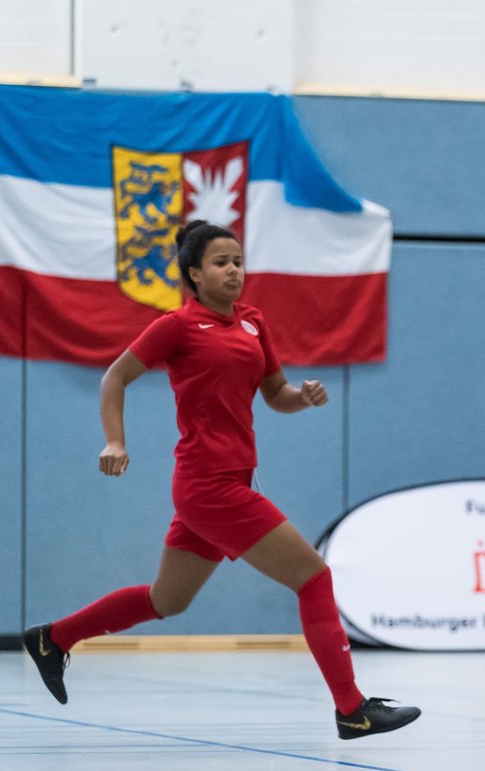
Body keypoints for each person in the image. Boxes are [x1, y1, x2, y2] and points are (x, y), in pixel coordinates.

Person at [23, 220, 419, 740]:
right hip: (209, 488)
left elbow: (276, 395)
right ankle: (352, 708)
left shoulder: (254, 323)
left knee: (167, 601)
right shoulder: (178, 326)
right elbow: (114, 377)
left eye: (238, 261)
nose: (234, 271)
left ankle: (55, 638)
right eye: (220, 263)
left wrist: (304, 397)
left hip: (226, 485)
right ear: (194, 273)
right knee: (314, 577)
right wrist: (116, 440)